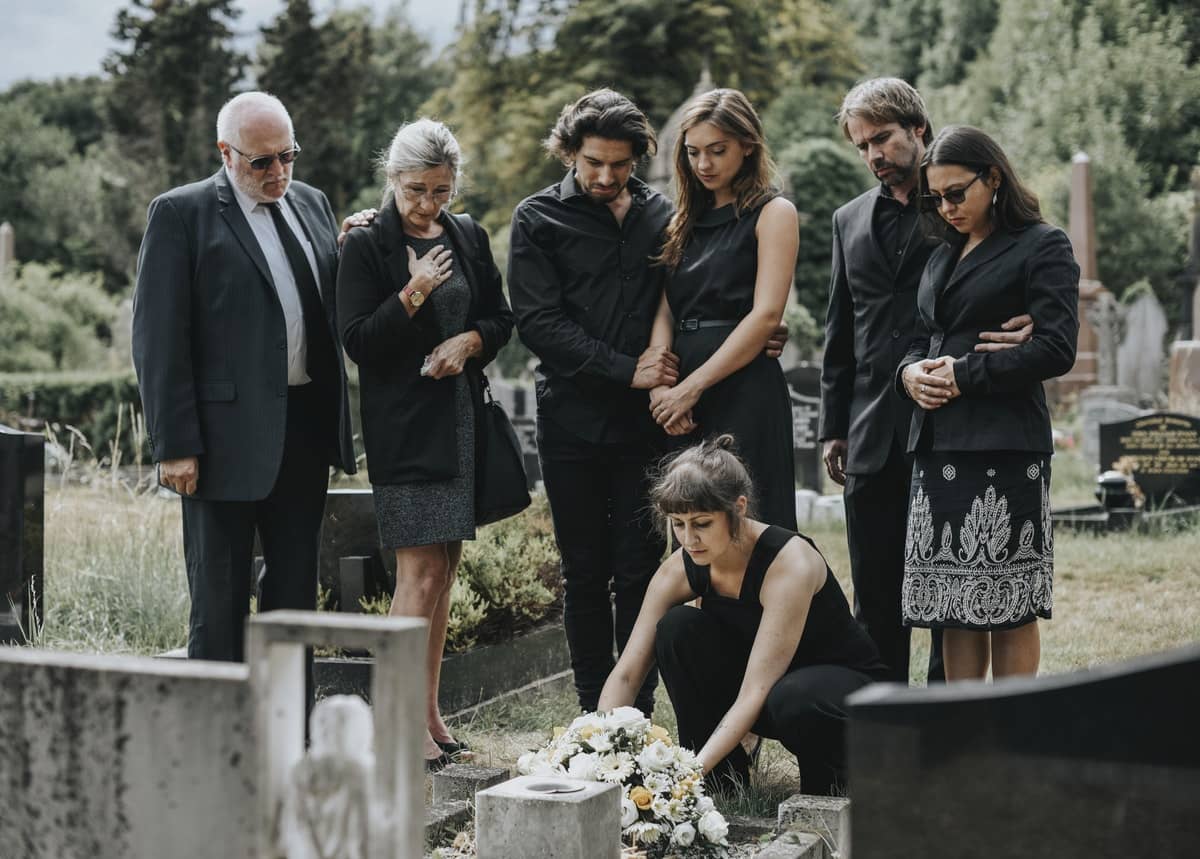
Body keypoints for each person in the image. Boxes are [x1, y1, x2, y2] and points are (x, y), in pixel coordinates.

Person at [509, 88, 792, 715]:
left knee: (647, 570)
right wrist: (632, 372)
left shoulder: (665, 213)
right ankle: (593, 714)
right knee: (583, 572)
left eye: (620, 164)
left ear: (639, 158)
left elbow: (693, 296)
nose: (606, 176)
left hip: (651, 428)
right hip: (575, 422)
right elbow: (538, 322)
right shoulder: (536, 218)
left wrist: (735, 341)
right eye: (592, 164)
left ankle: (638, 713)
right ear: (568, 154)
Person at [820, 78, 1035, 684]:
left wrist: (1038, 320)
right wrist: (834, 426)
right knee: (876, 598)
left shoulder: (959, 202)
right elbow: (842, 329)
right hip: (869, 430)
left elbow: (1011, 265)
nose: (874, 155)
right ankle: (890, 734)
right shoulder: (847, 219)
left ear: (918, 129)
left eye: (883, 139)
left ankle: (946, 725)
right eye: (862, 146)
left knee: (948, 596)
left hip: (949, 424)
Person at [132, 91, 356, 664]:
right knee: (220, 597)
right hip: (218, 439)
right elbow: (159, 339)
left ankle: (289, 734)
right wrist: (176, 444)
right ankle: (220, 740)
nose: (278, 171)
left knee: (294, 596)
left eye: (288, 155)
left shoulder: (312, 203)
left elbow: (324, 303)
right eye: (262, 161)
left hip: (303, 431)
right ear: (225, 153)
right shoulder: (181, 214)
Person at [337, 119, 514, 770]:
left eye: (440, 190)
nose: (428, 204)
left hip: (461, 421)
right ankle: (393, 718)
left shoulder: (467, 234)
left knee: (445, 570)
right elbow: (357, 341)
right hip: (405, 432)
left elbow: (500, 318)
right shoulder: (366, 244)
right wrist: (415, 291)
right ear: (393, 179)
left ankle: (429, 711)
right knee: (419, 572)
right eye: (416, 189)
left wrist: (469, 343)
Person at [597, 435, 887, 796]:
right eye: (678, 524)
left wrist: (684, 778)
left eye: (702, 523)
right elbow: (626, 673)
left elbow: (755, 691)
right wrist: (595, 753)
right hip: (770, 693)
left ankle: (835, 786)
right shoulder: (680, 568)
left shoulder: (789, 563)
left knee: (794, 697)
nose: (689, 539)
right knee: (676, 628)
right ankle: (723, 785)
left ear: (738, 508)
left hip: (837, 697)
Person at [897, 125, 1078, 681]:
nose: (946, 208)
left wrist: (965, 374)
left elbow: (1056, 347)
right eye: (937, 197)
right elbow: (917, 335)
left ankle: (1014, 739)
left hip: (1002, 443)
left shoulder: (1042, 245)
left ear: (993, 178)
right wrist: (909, 374)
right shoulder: (940, 253)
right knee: (951, 607)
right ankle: (964, 737)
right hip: (936, 442)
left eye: (957, 193)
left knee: (1009, 604)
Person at [648, 88, 799, 530]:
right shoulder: (679, 221)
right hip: (681, 390)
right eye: (693, 152)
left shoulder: (774, 212)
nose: (704, 165)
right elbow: (664, 309)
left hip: (744, 385)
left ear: (747, 145)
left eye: (718, 151)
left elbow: (767, 315)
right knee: (693, 524)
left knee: (751, 521)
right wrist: (663, 388)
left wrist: (691, 388)